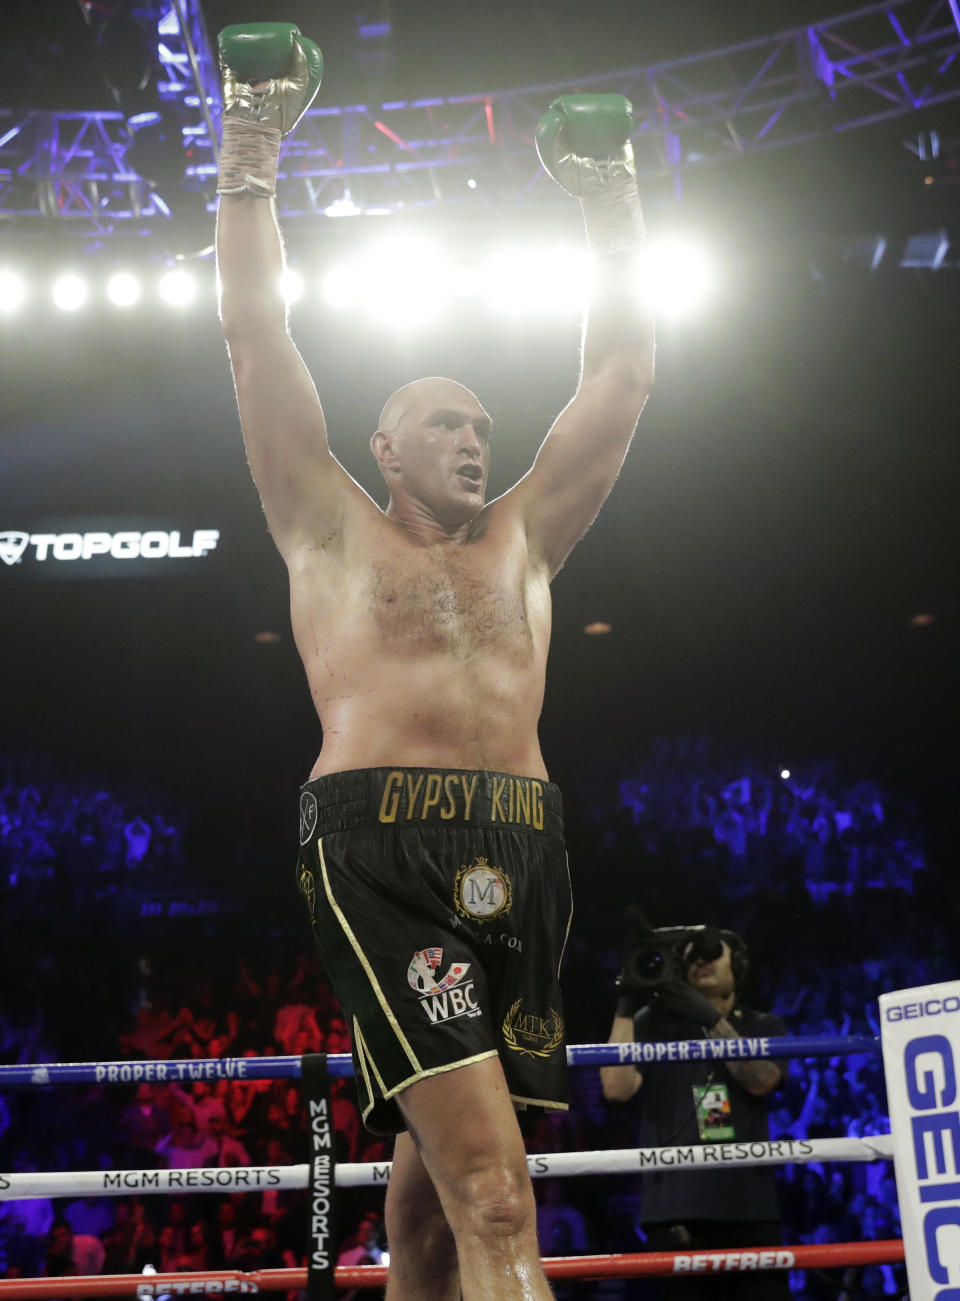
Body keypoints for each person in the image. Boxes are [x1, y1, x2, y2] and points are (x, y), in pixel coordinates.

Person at [215, 22, 654, 1301]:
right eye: (446, 422)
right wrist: (254, 140)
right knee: (496, 1194)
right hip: (381, 844)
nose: (476, 438)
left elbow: (622, 374)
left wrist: (611, 203)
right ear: (385, 446)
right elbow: (254, 336)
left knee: (425, 1202)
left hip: (522, 841)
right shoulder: (325, 523)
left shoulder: (524, 539)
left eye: (483, 422)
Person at [600, 925, 790, 1301]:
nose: (700, 961)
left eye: (712, 953)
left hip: (749, 1208)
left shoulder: (763, 1025)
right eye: (691, 957)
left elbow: (761, 1080)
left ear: (737, 965)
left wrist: (710, 1019)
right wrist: (625, 1004)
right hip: (676, 1209)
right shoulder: (651, 1023)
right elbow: (616, 1088)